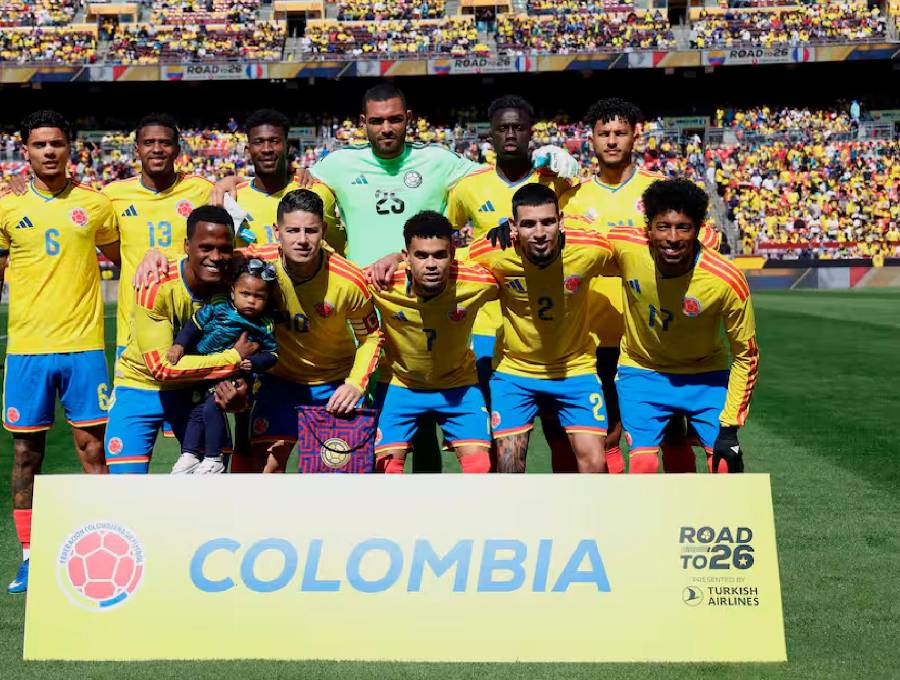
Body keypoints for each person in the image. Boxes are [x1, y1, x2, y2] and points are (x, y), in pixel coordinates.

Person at [559, 98, 719, 473]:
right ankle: (619, 518)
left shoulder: (660, 192)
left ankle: (681, 513)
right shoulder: (572, 197)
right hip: (592, 335)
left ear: (635, 137)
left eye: (620, 133)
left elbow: (704, 239)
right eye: (604, 134)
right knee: (608, 434)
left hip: (655, 336)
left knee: (674, 435)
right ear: (591, 140)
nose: (612, 141)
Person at [0, 110, 121, 594]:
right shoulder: (6, 207)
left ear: (71, 148)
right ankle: (29, 557)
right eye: (39, 145)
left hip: (85, 347)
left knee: (93, 449)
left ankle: (106, 544)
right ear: (24, 151)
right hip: (27, 348)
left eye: (57, 143)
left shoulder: (95, 205)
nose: (49, 152)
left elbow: (123, 259)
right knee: (26, 453)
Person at [605, 178, 758, 474]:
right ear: (648, 228)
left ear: (699, 229)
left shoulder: (726, 280)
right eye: (663, 227)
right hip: (643, 371)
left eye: (683, 227)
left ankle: (713, 519)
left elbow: (746, 356)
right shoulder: (626, 246)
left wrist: (730, 427)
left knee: (726, 463)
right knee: (644, 466)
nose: (672, 238)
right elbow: (570, 241)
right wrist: (511, 235)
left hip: (705, 374)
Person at [105, 206, 259, 474]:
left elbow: (285, 250)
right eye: (206, 247)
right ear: (187, 245)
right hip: (139, 385)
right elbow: (163, 368)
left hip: (196, 391)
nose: (215, 257)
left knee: (210, 485)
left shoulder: (236, 279)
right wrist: (234, 359)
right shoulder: (156, 283)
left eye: (224, 248)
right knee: (125, 489)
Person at [470, 183, 611, 474]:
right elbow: (438, 256)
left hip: (575, 369)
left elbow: (635, 244)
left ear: (561, 221)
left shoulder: (591, 248)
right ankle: (514, 520)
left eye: (548, 222)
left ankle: (588, 520)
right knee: (509, 463)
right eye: (528, 224)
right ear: (513, 226)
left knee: (595, 463)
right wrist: (396, 258)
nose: (539, 233)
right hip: (515, 371)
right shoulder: (492, 251)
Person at [249, 189, 383, 473]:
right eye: (293, 230)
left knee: (336, 475)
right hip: (278, 381)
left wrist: (355, 383)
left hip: (333, 385)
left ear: (323, 230)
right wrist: (157, 258)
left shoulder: (349, 280)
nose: (302, 239)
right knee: (265, 468)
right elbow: (204, 261)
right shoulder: (255, 265)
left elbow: (370, 336)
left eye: (311, 230)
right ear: (277, 231)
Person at [446, 94, 573, 392]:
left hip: (548, 317)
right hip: (489, 320)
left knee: (555, 421)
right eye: (503, 129)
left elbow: (575, 230)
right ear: (491, 135)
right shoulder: (468, 187)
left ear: (531, 132)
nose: (511, 134)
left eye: (518, 127)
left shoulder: (556, 183)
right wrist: (480, 250)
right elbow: (445, 239)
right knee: (491, 411)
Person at [370, 211, 497, 473]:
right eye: (421, 255)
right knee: (386, 471)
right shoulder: (380, 282)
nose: (431, 264)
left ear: (452, 253)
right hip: (400, 386)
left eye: (439, 255)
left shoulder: (479, 283)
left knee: (481, 468)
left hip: (458, 387)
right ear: (406, 256)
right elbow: (341, 280)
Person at [167, 259, 279, 474]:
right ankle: (189, 455)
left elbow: (272, 354)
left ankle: (213, 458)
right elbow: (194, 325)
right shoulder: (217, 306)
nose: (251, 301)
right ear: (232, 291)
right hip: (206, 368)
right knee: (197, 411)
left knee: (213, 406)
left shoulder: (264, 324)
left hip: (236, 375)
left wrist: (254, 362)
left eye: (259, 297)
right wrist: (180, 344)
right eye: (245, 294)